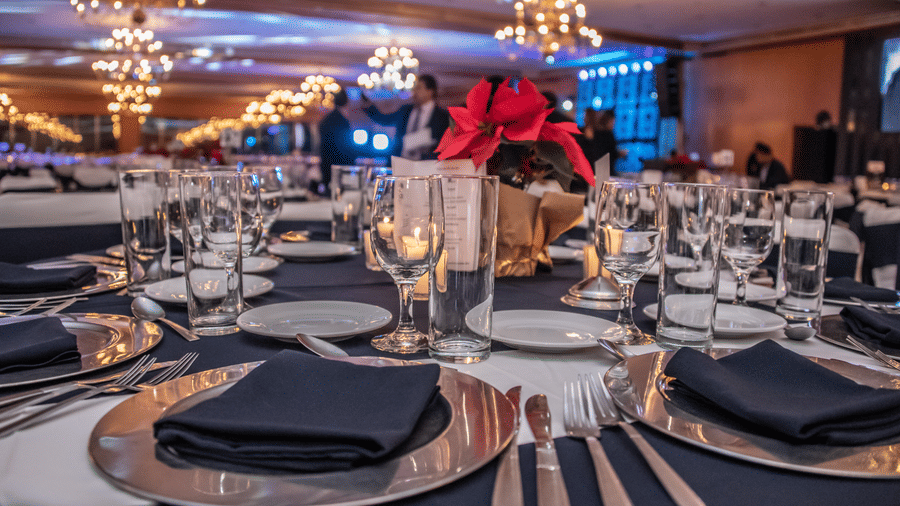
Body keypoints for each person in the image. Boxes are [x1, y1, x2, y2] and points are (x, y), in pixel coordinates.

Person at [362, 74, 449, 161]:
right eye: (414, 88)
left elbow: (443, 143)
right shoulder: (406, 110)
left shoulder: (442, 116)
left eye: (418, 88)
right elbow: (385, 119)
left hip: (427, 164)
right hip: (401, 161)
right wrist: (369, 106)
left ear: (430, 91)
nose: (414, 91)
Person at [316, 88, 356, 195]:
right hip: (338, 167)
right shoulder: (341, 121)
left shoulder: (327, 119)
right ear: (346, 101)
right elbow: (345, 147)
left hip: (327, 165)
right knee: (338, 196)